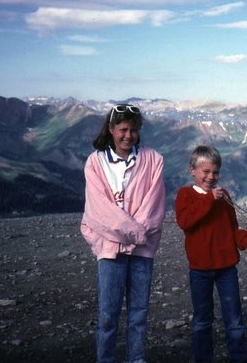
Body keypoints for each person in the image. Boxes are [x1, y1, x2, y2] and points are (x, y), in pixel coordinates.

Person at [80, 104, 166, 363]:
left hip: (141, 250)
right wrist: (135, 234)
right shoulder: (95, 163)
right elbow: (98, 211)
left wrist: (131, 237)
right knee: (108, 317)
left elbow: (154, 205)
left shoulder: (154, 160)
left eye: (134, 130)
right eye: (123, 130)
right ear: (111, 130)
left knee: (138, 316)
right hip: (110, 250)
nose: (128, 135)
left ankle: (136, 359)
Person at [174, 145, 247, 363]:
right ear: (192, 170)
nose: (211, 177)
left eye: (215, 172)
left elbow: (232, 228)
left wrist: (244, 241)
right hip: (200, 270)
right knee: (203, 320)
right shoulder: (186, 195)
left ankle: (239, 358)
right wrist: (209, 199)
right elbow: (186, 222)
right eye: (206, 172)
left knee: (234, 321)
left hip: (226, 268)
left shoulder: (224, 196)